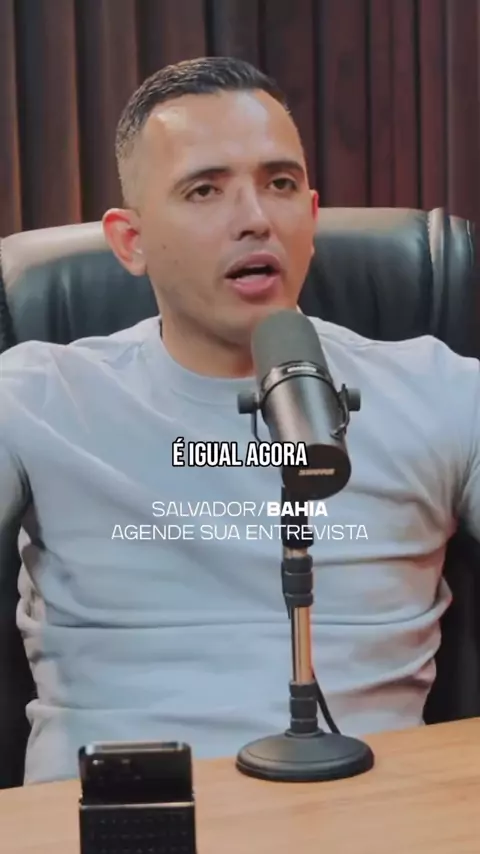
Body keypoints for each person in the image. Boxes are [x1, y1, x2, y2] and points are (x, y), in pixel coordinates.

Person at [0, 56, 479, 786]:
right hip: (125, 815)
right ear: (130, 241)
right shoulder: (40, 397)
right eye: (205, 189)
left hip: (372, 813)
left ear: (311, 216)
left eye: (279, 184)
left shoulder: (438, 390)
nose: (255, 218)